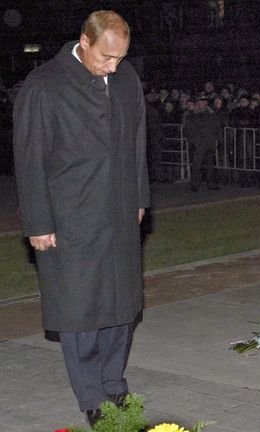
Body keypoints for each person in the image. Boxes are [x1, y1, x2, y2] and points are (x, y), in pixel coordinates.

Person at [12, 10, 149, 427]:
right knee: (80, 311)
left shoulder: (126, 80)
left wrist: (140, 196)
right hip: (70, 217)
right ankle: (92, 396)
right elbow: (29, 158)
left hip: (120, 210)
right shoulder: (44, 86)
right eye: (106, 57)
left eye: (120, 58)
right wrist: (37, 221)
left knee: (121, 308)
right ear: (83, 42)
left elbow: (138, 141)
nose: (113, 67)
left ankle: (113, 383)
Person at [184, 96, 226, 191]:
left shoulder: (210, 115)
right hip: (200, 144)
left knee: (209, 165)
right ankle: (195, 184)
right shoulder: (193, 116)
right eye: (201, 102)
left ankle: (209, 184)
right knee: (197, 165)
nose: (203, 105)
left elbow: (217, 127)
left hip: (208, 143)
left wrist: (218, 139)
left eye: (204, 103)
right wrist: (193, 142)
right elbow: (188, 131)